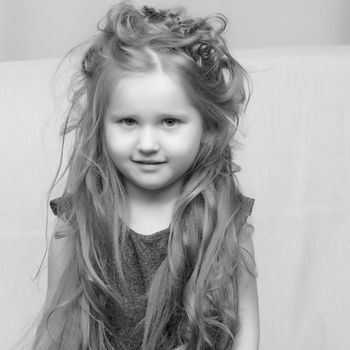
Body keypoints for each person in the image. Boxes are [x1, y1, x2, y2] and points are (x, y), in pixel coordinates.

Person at [32, 1, 259, 349]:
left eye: (170, 121)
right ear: (101, 124)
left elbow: (246, 334)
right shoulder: (78, 221)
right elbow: (53, 333)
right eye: (128, 121)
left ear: (206, 125)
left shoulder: (226, 219)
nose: (148, 144)